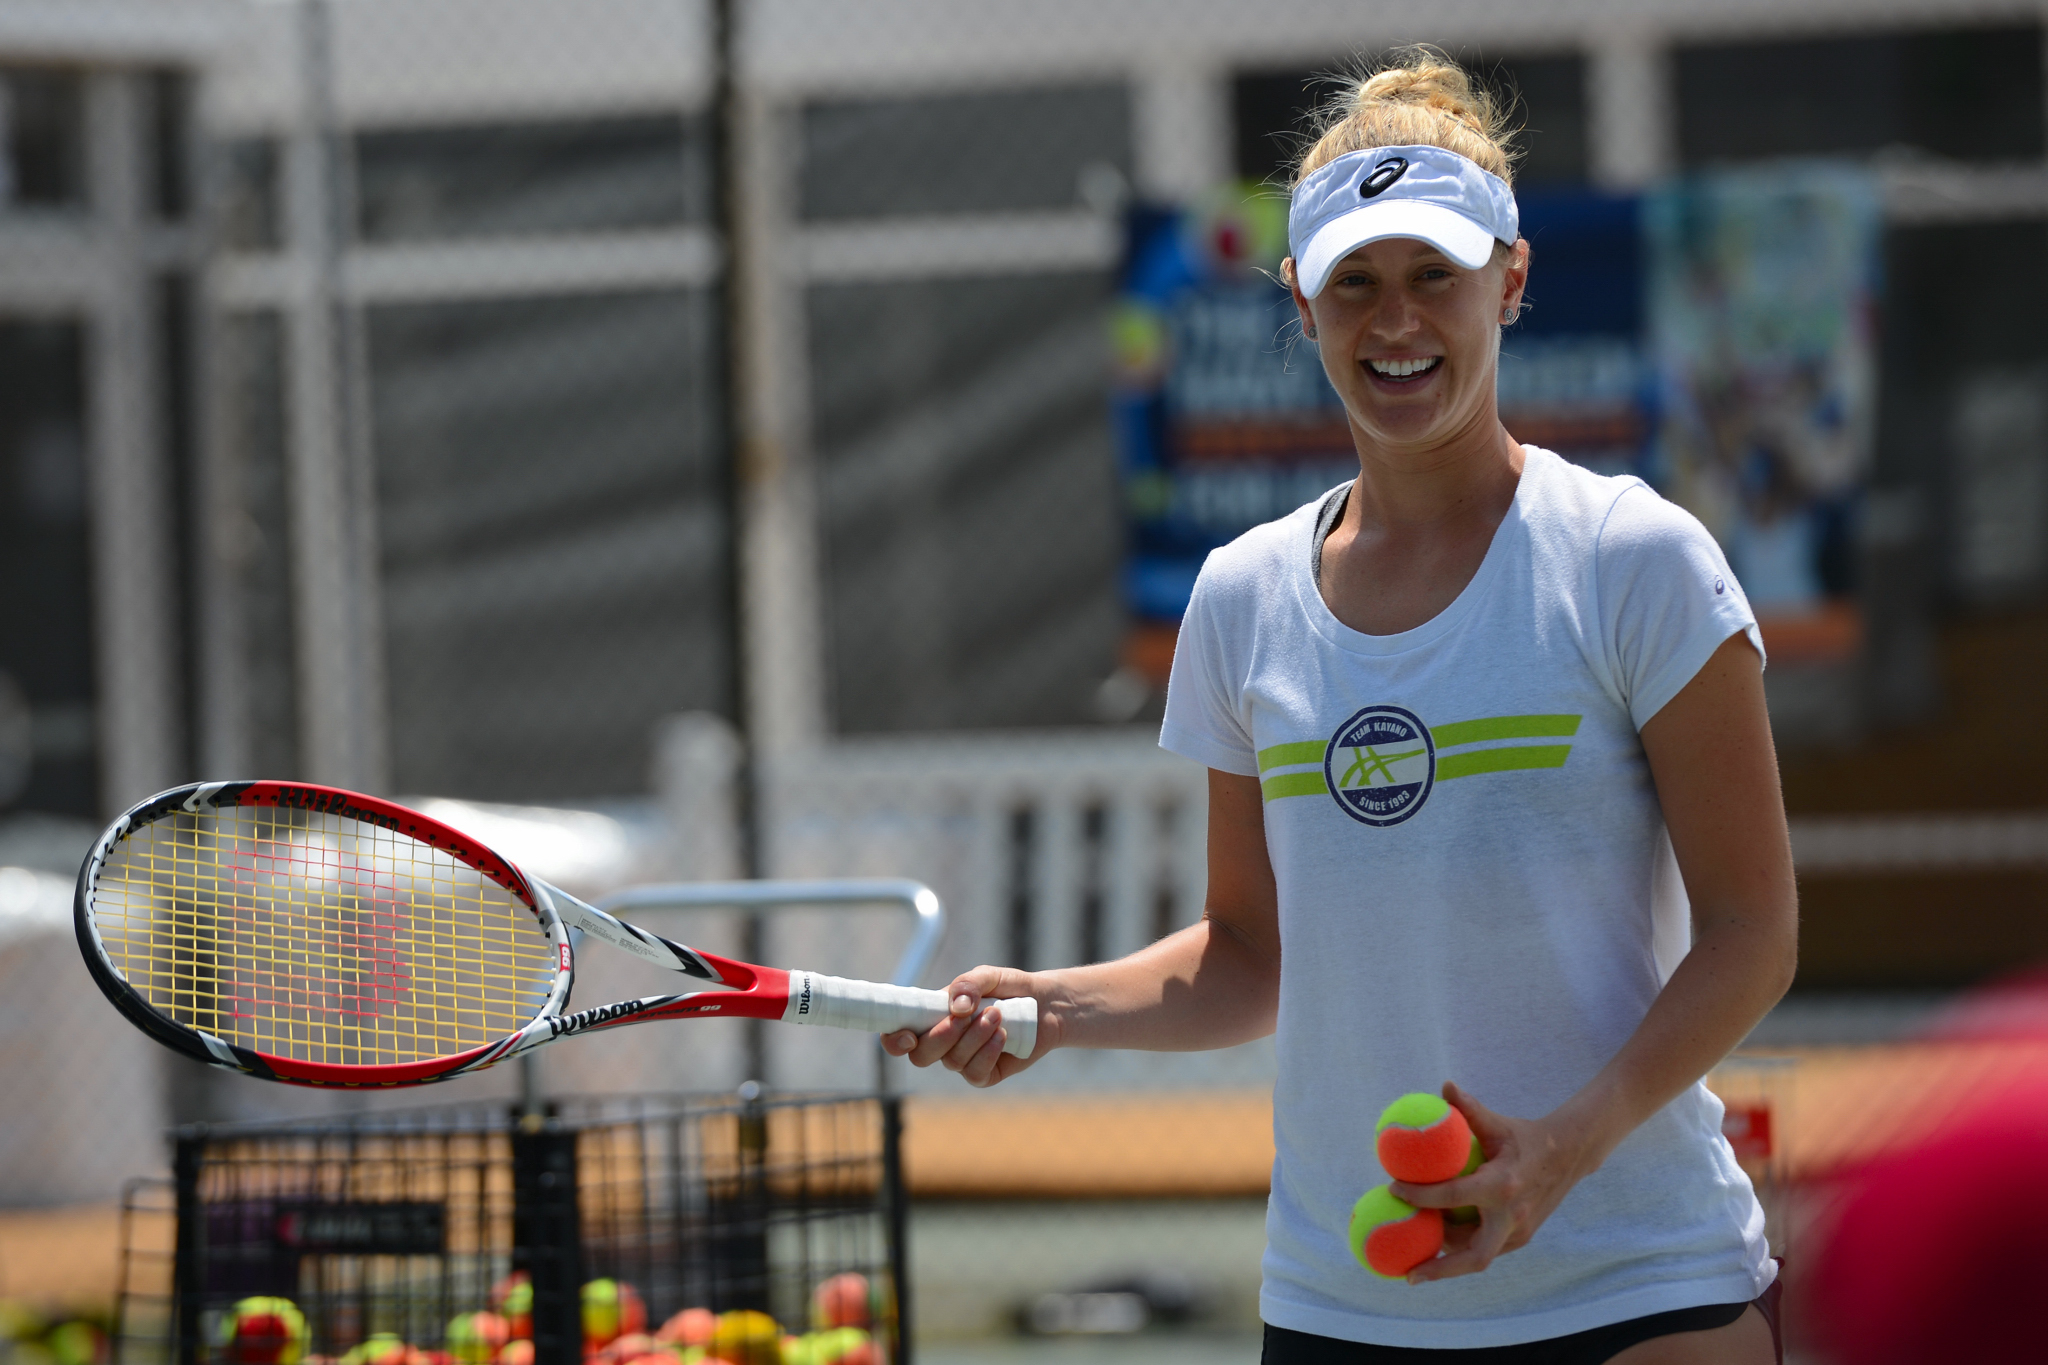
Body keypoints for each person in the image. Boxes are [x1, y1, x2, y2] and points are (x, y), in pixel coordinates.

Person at [883, 52, 1796, 1365]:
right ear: (1301, 303)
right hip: (1340, 1301)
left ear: (1513, 283)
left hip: (1637, 1280)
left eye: (1436, 274)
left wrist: (1562, 1153)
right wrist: (1053, 1002)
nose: (1397, 319)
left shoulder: (1632, 558)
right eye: (1355, 282)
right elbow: (1252, 950)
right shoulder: (1243, 596)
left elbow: (1754, 930)